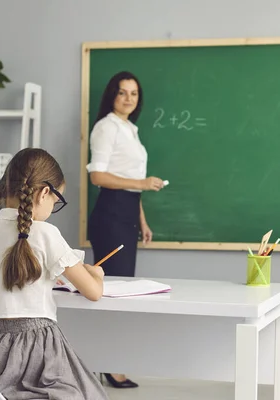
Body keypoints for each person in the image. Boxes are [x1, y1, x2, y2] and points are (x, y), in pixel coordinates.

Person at [0, 148, 110, 400]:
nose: (53, 207)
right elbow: (93, 292)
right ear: (45, 192)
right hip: (42, 349)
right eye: (57, 201)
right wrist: (97, 273)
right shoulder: (46, 233)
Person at [86, 71, 165, 388]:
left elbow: (132, 183)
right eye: (122, 92)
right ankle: (107, 365)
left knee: (122, 290)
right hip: (111, 215)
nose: (129, 98)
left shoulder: (130, 129)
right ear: (112, 96)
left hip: (128, 214)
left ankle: (111, 362)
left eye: (134, 93)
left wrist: (142, 220)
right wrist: (143, 184)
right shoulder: (106, 127)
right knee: (111, 293)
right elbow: (98, 177)